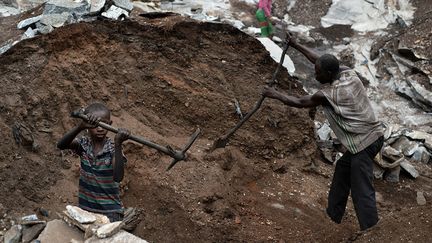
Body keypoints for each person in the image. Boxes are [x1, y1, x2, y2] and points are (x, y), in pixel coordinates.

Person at [262, 33, 384, 231]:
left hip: (365, 142)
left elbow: (301, 102)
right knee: (343, 170)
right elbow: (318, 59)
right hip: (372, 136)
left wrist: (274, 94)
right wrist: (295, 44)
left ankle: (371, 230)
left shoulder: (329, 95)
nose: (315, 75)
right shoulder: (347, 73)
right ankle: (333, 215)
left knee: (361, 187)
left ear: (328, 74)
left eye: (318, 73)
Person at [57, 102, 130, 222]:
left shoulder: (113, 148)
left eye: (104, 124)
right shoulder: (84, 144)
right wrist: (80, 127)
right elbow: (61, 145)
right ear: (88, 126)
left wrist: (118, 144)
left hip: (110, 213)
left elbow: (118, 177)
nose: (100, 128)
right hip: (85, 210)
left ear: (110, 124)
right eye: (95, 125)